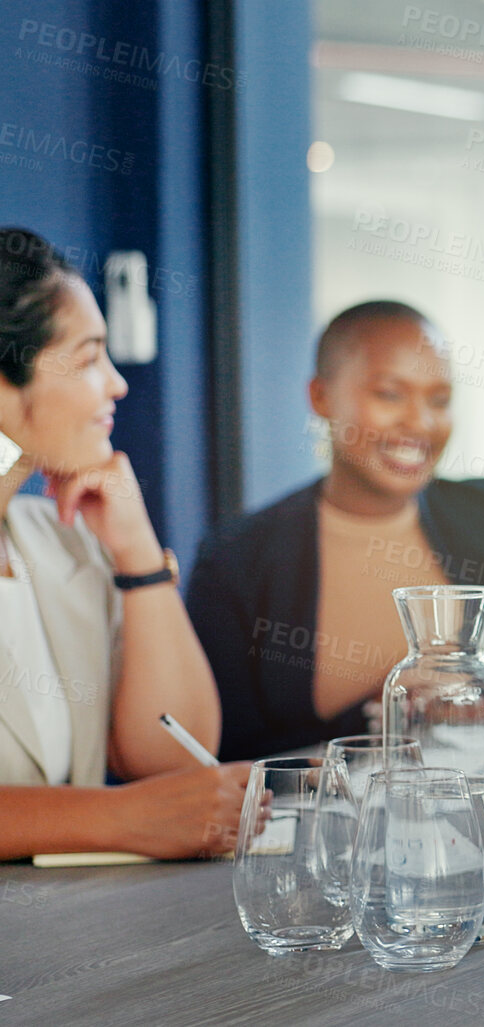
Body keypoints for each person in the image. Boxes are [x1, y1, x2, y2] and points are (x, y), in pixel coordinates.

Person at [186, 301, 484, 760]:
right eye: (390, 394)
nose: (421, 423)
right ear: (321, 398)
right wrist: (400, 703)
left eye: (439, 400)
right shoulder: (237, 557)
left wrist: (465, 681)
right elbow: (224, 748)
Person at [0, 227, 248, 861]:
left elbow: (174, 754)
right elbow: (144, 805)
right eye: (87, 360)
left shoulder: (62, 544)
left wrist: (138, 557)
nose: (118, 385)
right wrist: (114, 819)